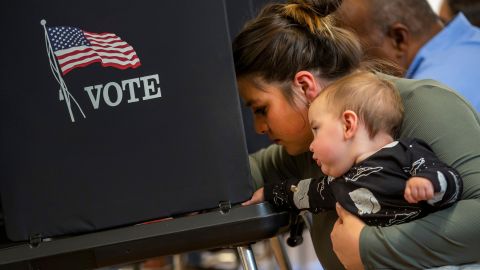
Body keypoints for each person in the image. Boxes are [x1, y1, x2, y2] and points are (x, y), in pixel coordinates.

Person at [233, 0, 480, 269]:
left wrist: (370, 247)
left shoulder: (425, 104)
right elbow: (245, 173)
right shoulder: (306, 147)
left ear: (304, 86)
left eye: (261, 109)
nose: (259, 127)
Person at [254, 71, 463, 228]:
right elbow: (300, 193)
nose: (311, 144)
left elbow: (451, 179)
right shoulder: (336, 185)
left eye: (316, 129)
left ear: (348, 125)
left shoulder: (405, 151)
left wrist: (429, 183)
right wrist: (267, 193)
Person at [333, 0, 480, 112]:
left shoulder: (423, 102)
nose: (352, 68)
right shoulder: (473, 41)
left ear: (398, 39)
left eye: (357, 52)